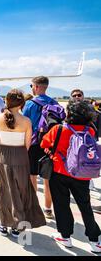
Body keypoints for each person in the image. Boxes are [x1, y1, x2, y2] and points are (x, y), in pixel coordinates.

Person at [40, 101, 101, 253]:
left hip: (59, 172)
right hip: (81, 174)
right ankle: (94, 240)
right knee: (85, 206)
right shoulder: (90, 131)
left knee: (61, 205)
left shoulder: (58, 129)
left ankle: (66, 237)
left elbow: (44, 144)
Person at [0, 89, 46, 237]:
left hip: (3, 157)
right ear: (22, 103)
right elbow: (27, 144)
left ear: (6, 101)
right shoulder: (26, 121)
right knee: (21, 190)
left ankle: (4, 223)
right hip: (21, 157)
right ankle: (18, 226)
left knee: (4, 191)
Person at [22, 76, 60, 219]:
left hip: (34, 144)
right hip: (50, 145)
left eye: (31, 85)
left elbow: (25, 124)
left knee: (32, 177)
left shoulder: (30, 104)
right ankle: (48, 209)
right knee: (47, 178)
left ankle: (33, 207)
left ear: (36, 87)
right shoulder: (54, 103)